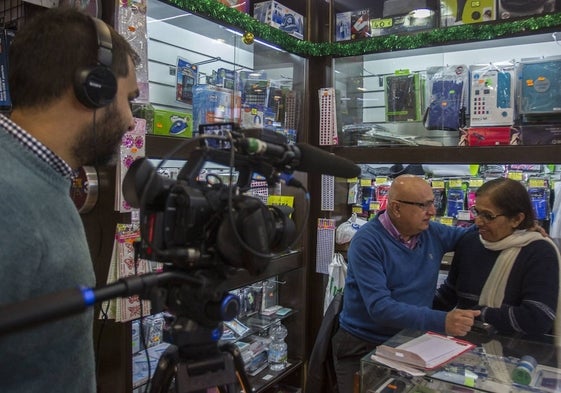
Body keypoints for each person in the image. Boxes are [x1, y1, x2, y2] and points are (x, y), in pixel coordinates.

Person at [0, 7, 139, 392]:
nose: (130, 121)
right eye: (129, 99)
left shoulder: (40, 175)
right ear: (93, 88)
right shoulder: (7, 193)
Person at [332, 174, 481, 393]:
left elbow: (470, 238)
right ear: (396, 208)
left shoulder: (431, 232)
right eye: (423, 205)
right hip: (363, 345)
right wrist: (442, 320)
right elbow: (381, 308)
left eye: (433, 202)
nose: (432, 211)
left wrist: (519, 229)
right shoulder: (367, 242)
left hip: (411, 341)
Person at [434, 177, 561, 339]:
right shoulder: (470, 242)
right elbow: (450, 294)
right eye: (477, 212)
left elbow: (538, 317)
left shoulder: (538, 252)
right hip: (467, 345)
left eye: (488, 216)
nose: (478, 222)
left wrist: (479, 313)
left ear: (517, 219)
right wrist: (415, 310)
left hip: (519, 350)